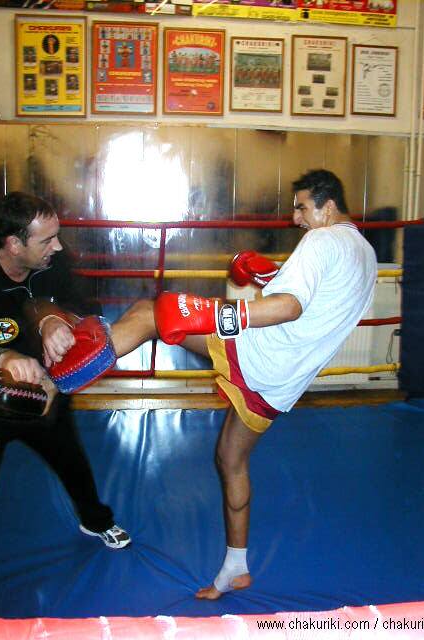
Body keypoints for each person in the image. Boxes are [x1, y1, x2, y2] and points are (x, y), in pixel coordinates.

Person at [56, 169, 377, 598]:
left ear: (329, 205)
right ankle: (235, 569)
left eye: (302, 208)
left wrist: (218, 314)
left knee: (151, 313)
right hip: (281, 383)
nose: (295, 218)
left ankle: (71, 368)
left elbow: (290, 307)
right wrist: (268, 278)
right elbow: (321, 303)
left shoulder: (323, 240)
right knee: (230, 460)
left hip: (258, 352)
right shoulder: (365, 253)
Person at [0, 192, 131, 571]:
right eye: (47, 240)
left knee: (72, 461)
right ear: (14, 244)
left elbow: (90, 316)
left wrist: (56, 319)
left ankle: (95, 520)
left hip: (45, 391)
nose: (58, 246)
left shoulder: (54, 261)